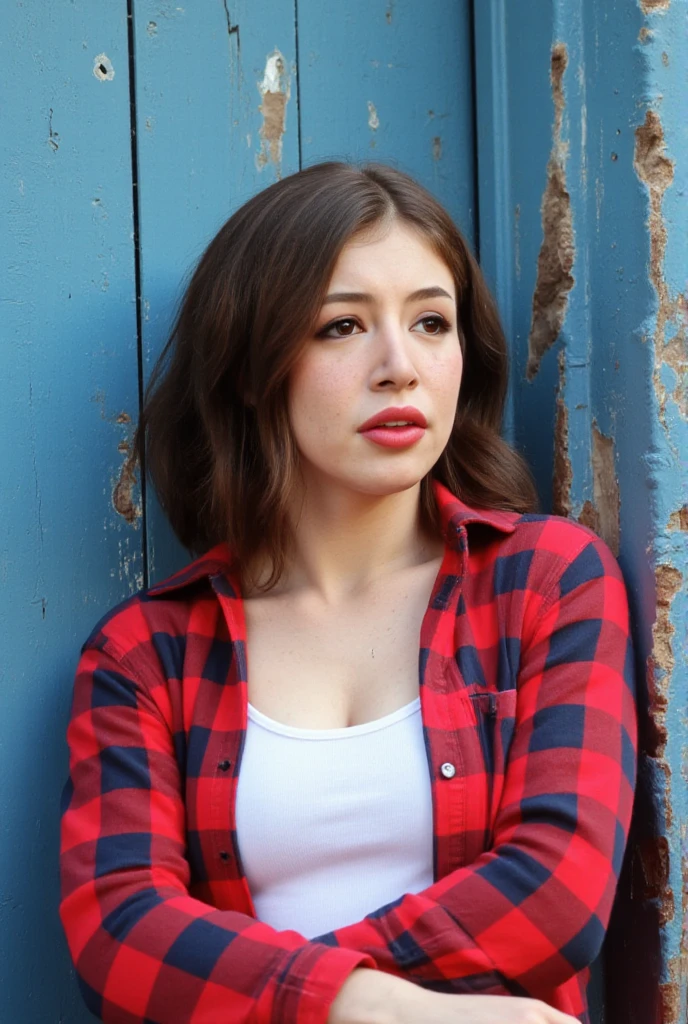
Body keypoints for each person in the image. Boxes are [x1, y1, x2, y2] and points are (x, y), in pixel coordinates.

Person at [59, 162, 637, 1024]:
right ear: (255, 367)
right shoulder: (149, 652)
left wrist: (271, 996)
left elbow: (556, 889)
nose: (399, 367)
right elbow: (118, 930)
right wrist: (384, 1010)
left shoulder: (547, 580)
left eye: (431, 322)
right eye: (341, 327)